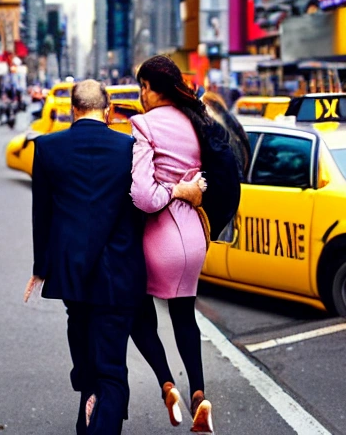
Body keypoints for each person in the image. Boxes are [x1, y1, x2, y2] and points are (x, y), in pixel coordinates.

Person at [23, 79, 148, 435]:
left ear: (71, 109)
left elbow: (41, 214)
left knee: (86, 351)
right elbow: (140, 208)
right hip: (119, 274)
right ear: (108, 110)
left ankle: (87, 407)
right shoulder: (130, 147)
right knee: (112, 371)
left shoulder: (47, 148)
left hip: (72, 275)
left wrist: (40, 268)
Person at [129, 55, 215, 433]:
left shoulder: (144, 125)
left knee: (137, 312)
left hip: (158, 238)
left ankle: (167, 384)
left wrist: (172, 188)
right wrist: (190, 189)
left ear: (151, 88)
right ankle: (198, 393)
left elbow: (144, 197)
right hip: (194, 238)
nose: (141, 95)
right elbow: (207, 176)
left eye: (142, 88)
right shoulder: (195, 120)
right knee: (184, 317)